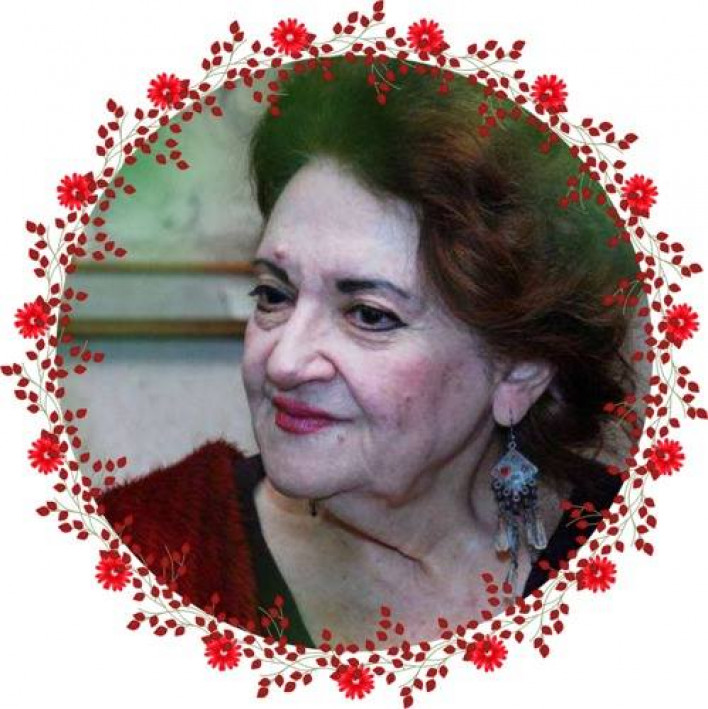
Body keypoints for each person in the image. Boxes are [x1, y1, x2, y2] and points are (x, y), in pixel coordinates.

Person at [100, 57, 638, 649]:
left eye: (369, 315)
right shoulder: (139, 551)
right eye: (274, 295)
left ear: (519, 368)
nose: (283, 362)